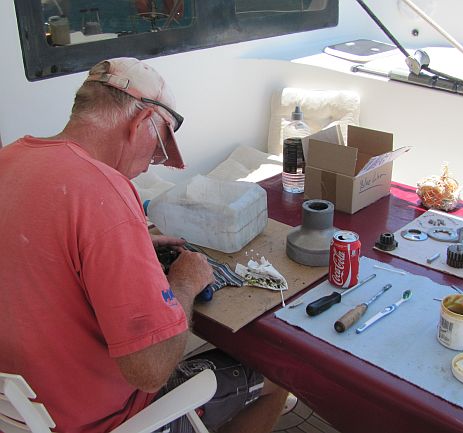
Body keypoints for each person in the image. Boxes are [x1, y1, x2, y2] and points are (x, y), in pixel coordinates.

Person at [0, 57, 287, 433]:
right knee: (279, 375)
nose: (151, 165)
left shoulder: (10, 158)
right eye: (158, 147)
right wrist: (184, 282)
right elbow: (151, 370)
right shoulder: (103, 191)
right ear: (141, 122)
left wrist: (120, 244)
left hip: (20, 413)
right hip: (105, 421)